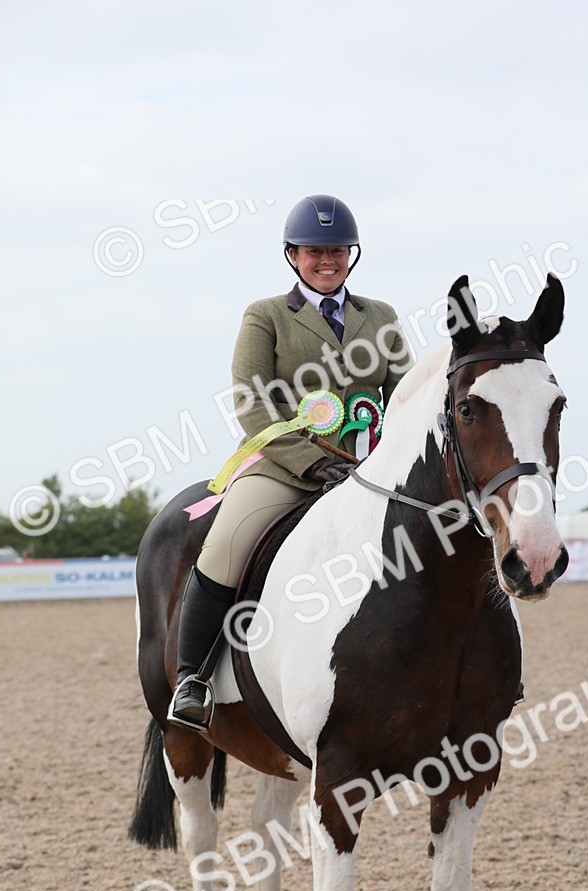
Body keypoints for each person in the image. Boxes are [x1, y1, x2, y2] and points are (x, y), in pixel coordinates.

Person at [169, 194, 413, 729]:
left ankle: (480, 668)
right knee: (227, 542)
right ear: (293, 255)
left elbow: (405, 397)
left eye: (337, 251)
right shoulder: (267, 316)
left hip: (368, 471)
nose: (327, 261)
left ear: (352, 254)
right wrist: (308, 460)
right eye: (314, 251)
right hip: (285, 467)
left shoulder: (383, 317)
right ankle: (192, 678)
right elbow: (251, 401)